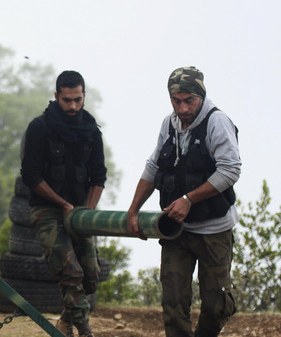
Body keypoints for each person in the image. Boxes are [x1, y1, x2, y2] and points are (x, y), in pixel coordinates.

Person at [126, 66, 241, 337]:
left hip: (214, 230)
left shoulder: (217, 122)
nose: (183, 107)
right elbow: (153, 166)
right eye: (176, 101)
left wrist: (189, 199)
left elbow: (230, 170)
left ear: (201, 95)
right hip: (177, 230)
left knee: (216, 305)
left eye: (189, 100)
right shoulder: (169, 123)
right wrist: (133, 210)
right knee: (173, 305)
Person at [20, 70, 106, 337]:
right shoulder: (39, 128)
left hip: (80, 212)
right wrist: (62, 203)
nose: (72, 106)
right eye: (67, 100)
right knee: (70, 274)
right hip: (47, 210)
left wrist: (88, 214)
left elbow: (99, 176)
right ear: (57, 96)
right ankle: (85, 331)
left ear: (83, 97)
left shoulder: (91, 131)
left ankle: (66, 320)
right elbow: (31, 176)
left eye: (77, 100)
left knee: (91, 278)